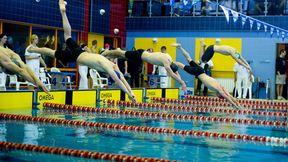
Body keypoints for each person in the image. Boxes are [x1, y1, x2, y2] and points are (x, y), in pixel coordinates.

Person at [27, 0, 135, 101]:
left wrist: (131, 93)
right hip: (76, 56)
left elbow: (122, 79)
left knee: (67, 36)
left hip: (80, 52)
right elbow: (118, 80)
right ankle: (35, 49)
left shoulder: (111, 64)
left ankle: (63, 13)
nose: (110, 76)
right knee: (52, 53)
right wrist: (129, 94)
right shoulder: (109, 67)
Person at [171, 43, 241, 108]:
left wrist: (237, 103)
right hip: (198, 73)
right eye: (218, 96)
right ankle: (171, 62)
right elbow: (227, 97)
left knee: (189, 59)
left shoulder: (220, 86)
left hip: (201, 70)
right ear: (219, 95)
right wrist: (235, 106)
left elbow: (229, 95)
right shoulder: (218, 89)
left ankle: (180, 47)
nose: (216, 96)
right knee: (182, 66)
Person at [101, 48, 187, 91]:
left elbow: (176, 70)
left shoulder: (170, 59)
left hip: (141, 57)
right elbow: (172, 74)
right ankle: (107, 52)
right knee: (121, 53)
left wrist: (181, 81)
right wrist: (182, 83)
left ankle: (109, 54)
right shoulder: (166, 63)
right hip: (140, 54)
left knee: (121, 56)